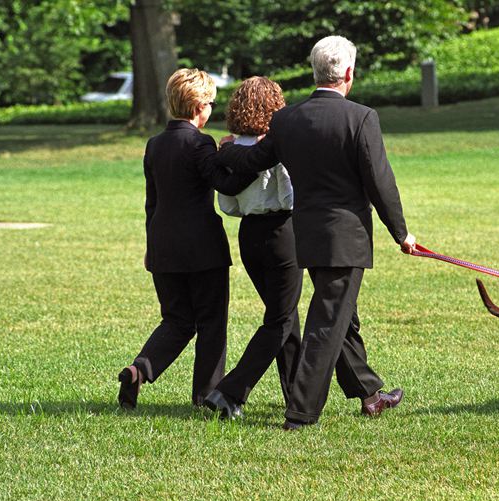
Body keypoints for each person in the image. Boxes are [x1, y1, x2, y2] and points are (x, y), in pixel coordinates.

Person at [215, 36, 417, 429]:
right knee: (327, 321)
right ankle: (301, 412)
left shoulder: (288, 119)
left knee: (342, 315)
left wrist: (224, 151)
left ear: (315, 71)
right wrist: (401, 233)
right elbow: (380, 182)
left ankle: (369, 393)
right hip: (346, 238)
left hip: (306, 235)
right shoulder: (361, 118)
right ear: (348, 73)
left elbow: (255, 158)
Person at [117, 68, 256, 409]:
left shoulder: (154, 144)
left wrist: (151, 247)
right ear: (197, 106)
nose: (212, 109)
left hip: (163, 246)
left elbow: (152, 202)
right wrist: (247, 159)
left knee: (177, 320)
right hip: (202, 250)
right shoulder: (199, 143)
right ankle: (206, 396)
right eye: (210, 102)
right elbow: (227, 184)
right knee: (211, 324)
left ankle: (139, 369)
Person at [203, 77, 302, 419]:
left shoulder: (231, 147)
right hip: (281, 234)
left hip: (249, 236)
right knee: (280, 318)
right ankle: (230, 392)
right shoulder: (277, 146)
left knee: (286, 316)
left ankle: (296, 393)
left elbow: (228, 205)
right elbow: (290, 195)